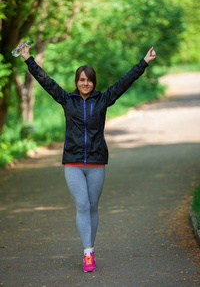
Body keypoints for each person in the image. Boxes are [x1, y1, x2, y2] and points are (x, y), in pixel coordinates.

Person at [19, 44, 156, 272]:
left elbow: (124, 82)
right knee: (82, 205)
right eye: (81, 80)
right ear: (76, 82)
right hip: (73, 162)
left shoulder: (102, 100)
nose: (85, 83)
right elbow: (46, 81)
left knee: (93, 206)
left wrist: (144, 62)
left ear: (94, 82)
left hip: (96, 163)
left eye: (89, 80)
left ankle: (90, 247)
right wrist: (28, 59)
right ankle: (87, 252)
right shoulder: (67, 100)